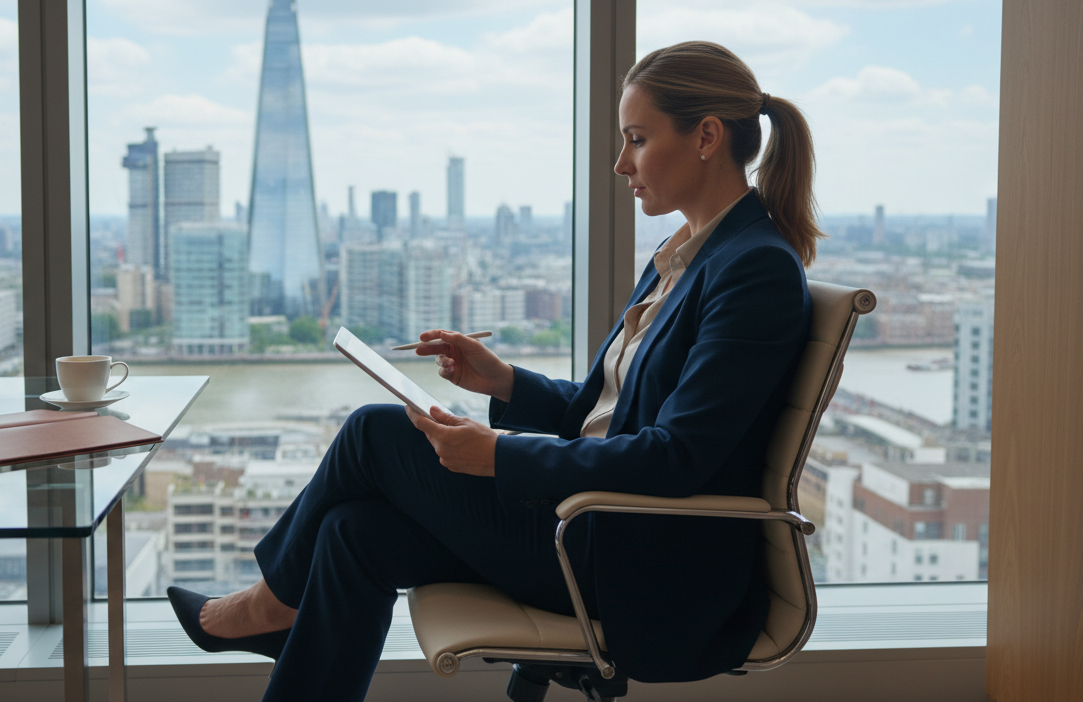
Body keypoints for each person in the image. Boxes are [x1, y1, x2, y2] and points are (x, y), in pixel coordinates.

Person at [167, 40, 819, 700]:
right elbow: (616, 414)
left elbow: (678, 456)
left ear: (706, 136)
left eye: (638, 139)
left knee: (373, 433)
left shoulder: (753, 269)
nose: (621, 163)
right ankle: (280, 625)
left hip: (628, 559)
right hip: (589, 528)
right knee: (351, 533)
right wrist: (505, 382)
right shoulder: (683, 256)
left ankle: (269, 607)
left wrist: (501, 458)